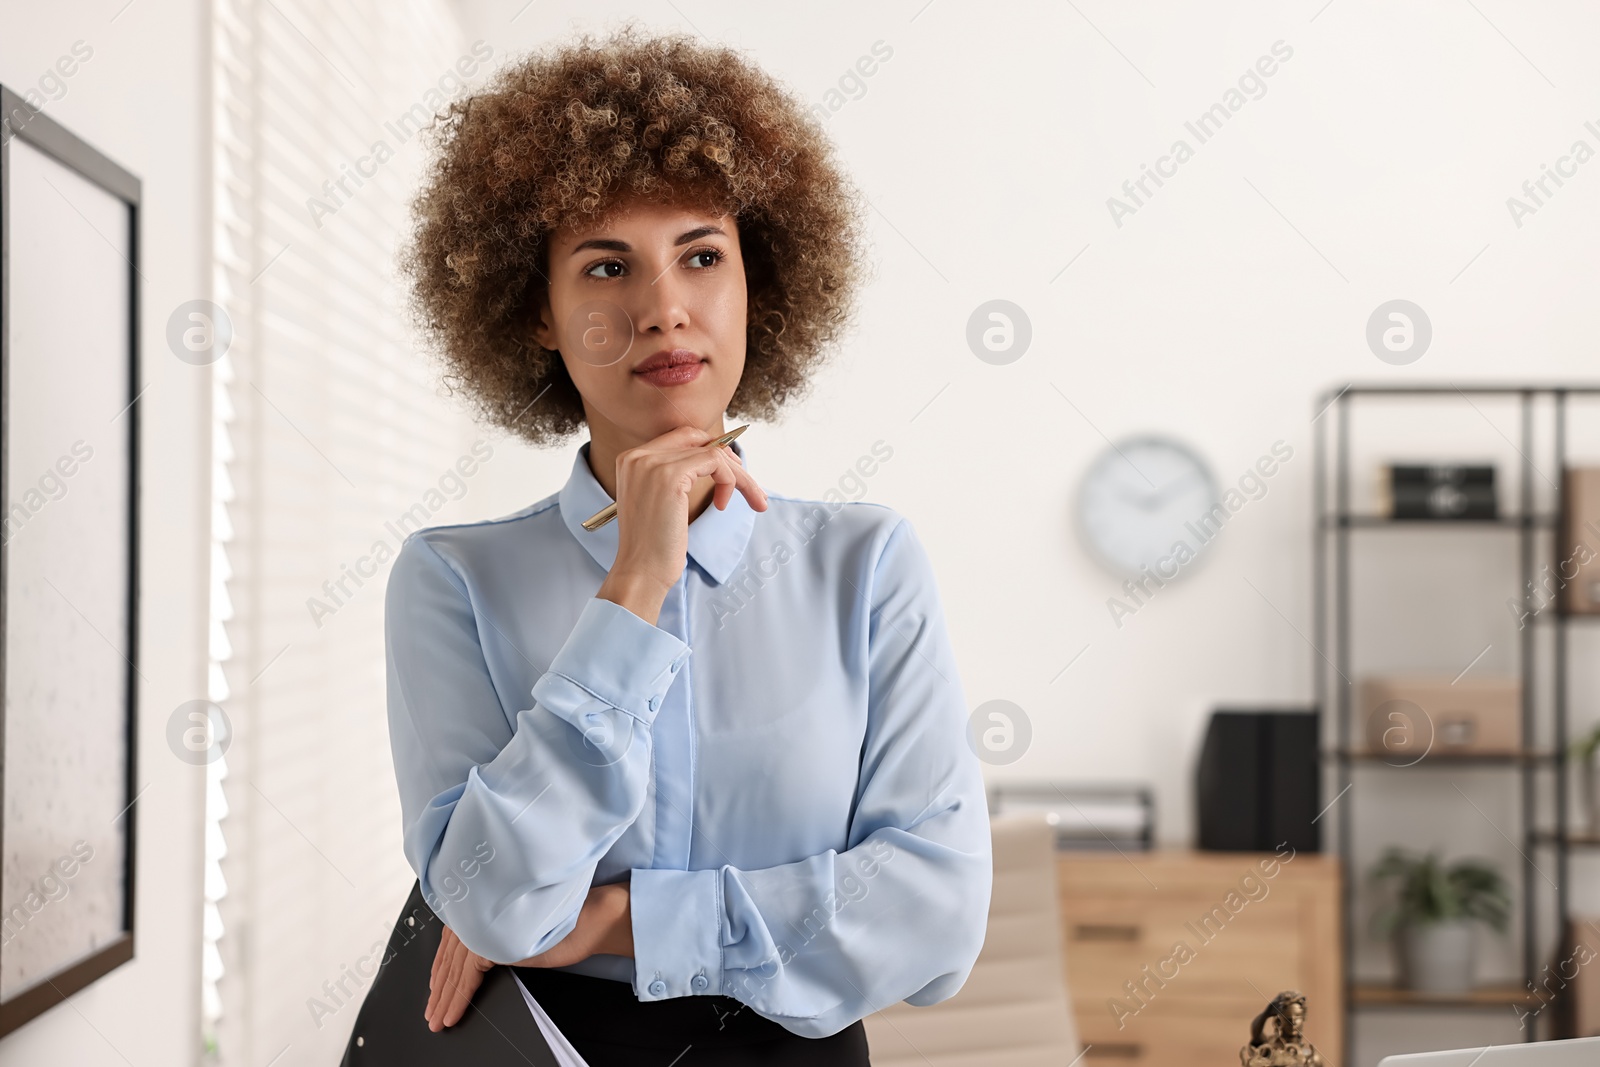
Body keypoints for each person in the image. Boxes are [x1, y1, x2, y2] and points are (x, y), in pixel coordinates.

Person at [356, 21, 993, 1066]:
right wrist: (635, 583)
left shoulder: (865, 565)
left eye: (702, 255)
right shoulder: (450, 580)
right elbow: (493, 902)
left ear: (758, 283)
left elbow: (937, 915)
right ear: (538, 315)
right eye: (606, 268)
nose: (662, 309)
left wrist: (617, 922)